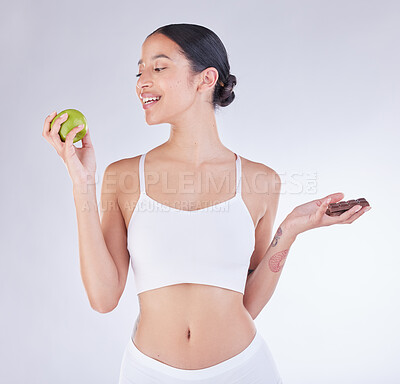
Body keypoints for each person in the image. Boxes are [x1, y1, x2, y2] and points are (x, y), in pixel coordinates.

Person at [42, 23, 371, 384]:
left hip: (244, 370)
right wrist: (83, 184)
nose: (142, 81)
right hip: (149, 373)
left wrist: (290, 230)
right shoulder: (123, 177)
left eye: (159, 67)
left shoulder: (260, 180)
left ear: (206, 79)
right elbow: (103, 298)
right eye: (140, 71)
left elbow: (247, 305)